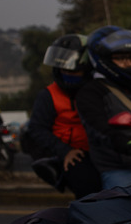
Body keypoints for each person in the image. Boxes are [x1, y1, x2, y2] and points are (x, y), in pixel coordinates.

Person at [76, 26, 131, 190]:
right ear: (103, 60)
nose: (129, 63)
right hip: (122, 169)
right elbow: (98, 128)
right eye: (121, 58)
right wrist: (125, 142)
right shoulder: (91, 93)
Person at [24, 34, 103, 198]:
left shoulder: (98, 90)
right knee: (88, 186)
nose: (68, 74)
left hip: (103, 153)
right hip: (72, 154)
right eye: (64, 70)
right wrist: (65, 151)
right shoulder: (48, 95)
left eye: (74, 71)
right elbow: (37, 129)